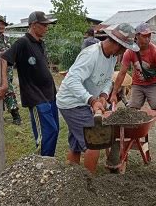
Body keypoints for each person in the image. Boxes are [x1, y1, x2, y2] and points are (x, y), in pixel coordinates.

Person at [57, 23, 139, 173]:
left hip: (84, 101)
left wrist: (103, 95)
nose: (124, 51)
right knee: (94, 143)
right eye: (124, 47)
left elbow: (108, 79)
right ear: (117, 44)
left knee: (76, 143)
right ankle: (89, 183)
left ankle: (71, 179)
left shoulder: (112, 57)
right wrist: (92, 101)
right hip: (72, 102)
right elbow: (71, 81)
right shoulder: (91, 55)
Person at [0, 11, 59, 157]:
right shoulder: (23, 42)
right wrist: (5, 84)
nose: (47, 28)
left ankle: (48, 161)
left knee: (54, 130)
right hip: (36, 96)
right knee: (47, 132)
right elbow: (4, 59)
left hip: (50, 94)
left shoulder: (40, 43)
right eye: (44, 25)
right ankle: (42, 162)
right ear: (34, 25)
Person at [110, 22, 156, 151]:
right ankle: (133, 136)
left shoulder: (155, 51)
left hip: (153, 85)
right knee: (131, 111)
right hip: (138, 86)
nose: (148, 38)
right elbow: (122, 73)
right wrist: (114, 92)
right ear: (137, 36)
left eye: (149, 35)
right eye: (145, 36)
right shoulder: (130, 52)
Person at [0, 15, 21, 125]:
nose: (1, 26)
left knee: (6, 90)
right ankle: (15, 115)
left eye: (3, 24)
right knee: (7, 91)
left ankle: (0, 115)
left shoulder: (6, 39)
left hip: (9, 69)